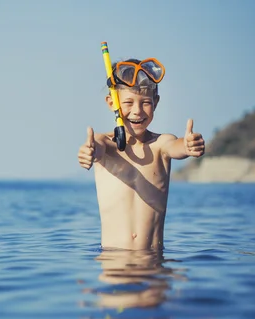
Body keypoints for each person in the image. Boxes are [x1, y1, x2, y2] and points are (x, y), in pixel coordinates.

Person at [77, 57, 205, 250]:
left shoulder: (160, 145)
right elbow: (94, 147)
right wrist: (87, 152)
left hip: (154, 263)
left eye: (145, 102)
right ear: (112, 103)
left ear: (156, 102)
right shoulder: (105, 145)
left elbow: (175, 146)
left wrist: (188, 147)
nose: (137, 111)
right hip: (114, 263)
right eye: (128, 102)